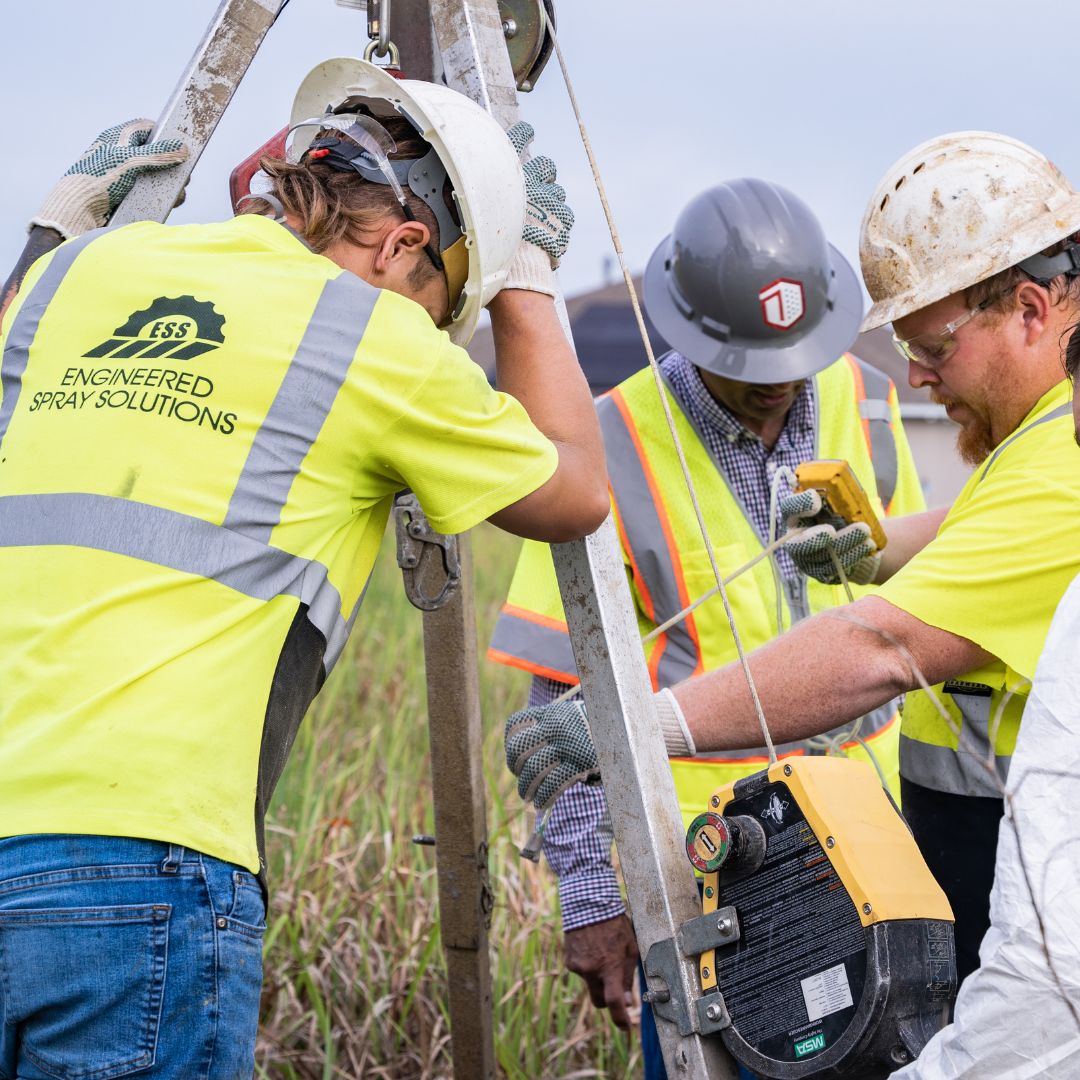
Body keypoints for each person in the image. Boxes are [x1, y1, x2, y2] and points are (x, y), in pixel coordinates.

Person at [0, 58, 608, 1079]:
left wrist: (51, 232)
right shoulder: (373, 335)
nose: (431, 326)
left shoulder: (77, 277)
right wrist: (531, 283)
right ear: (406, 245)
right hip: (145, 861)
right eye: (440, 301)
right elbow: (575, 493)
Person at [506, 130, 1080, 1010]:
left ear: (1035, 310)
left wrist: (629, 726)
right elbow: (986, 533)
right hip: (703, 862)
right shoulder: (611, 440)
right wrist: (880, 546)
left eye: (934, 348)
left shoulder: (952, 424)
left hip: (898, 853)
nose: (918, 376)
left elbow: (882, 646)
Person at [490, 178, 925, 1077]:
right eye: (749, 368)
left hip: (876, 850)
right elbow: (561, 706)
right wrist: (590, 897)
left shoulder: (866, 399)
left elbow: (914, 602)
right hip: (707, 876)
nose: (776, 389)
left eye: (792, 361)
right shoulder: (605, 443)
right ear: (690, 333)